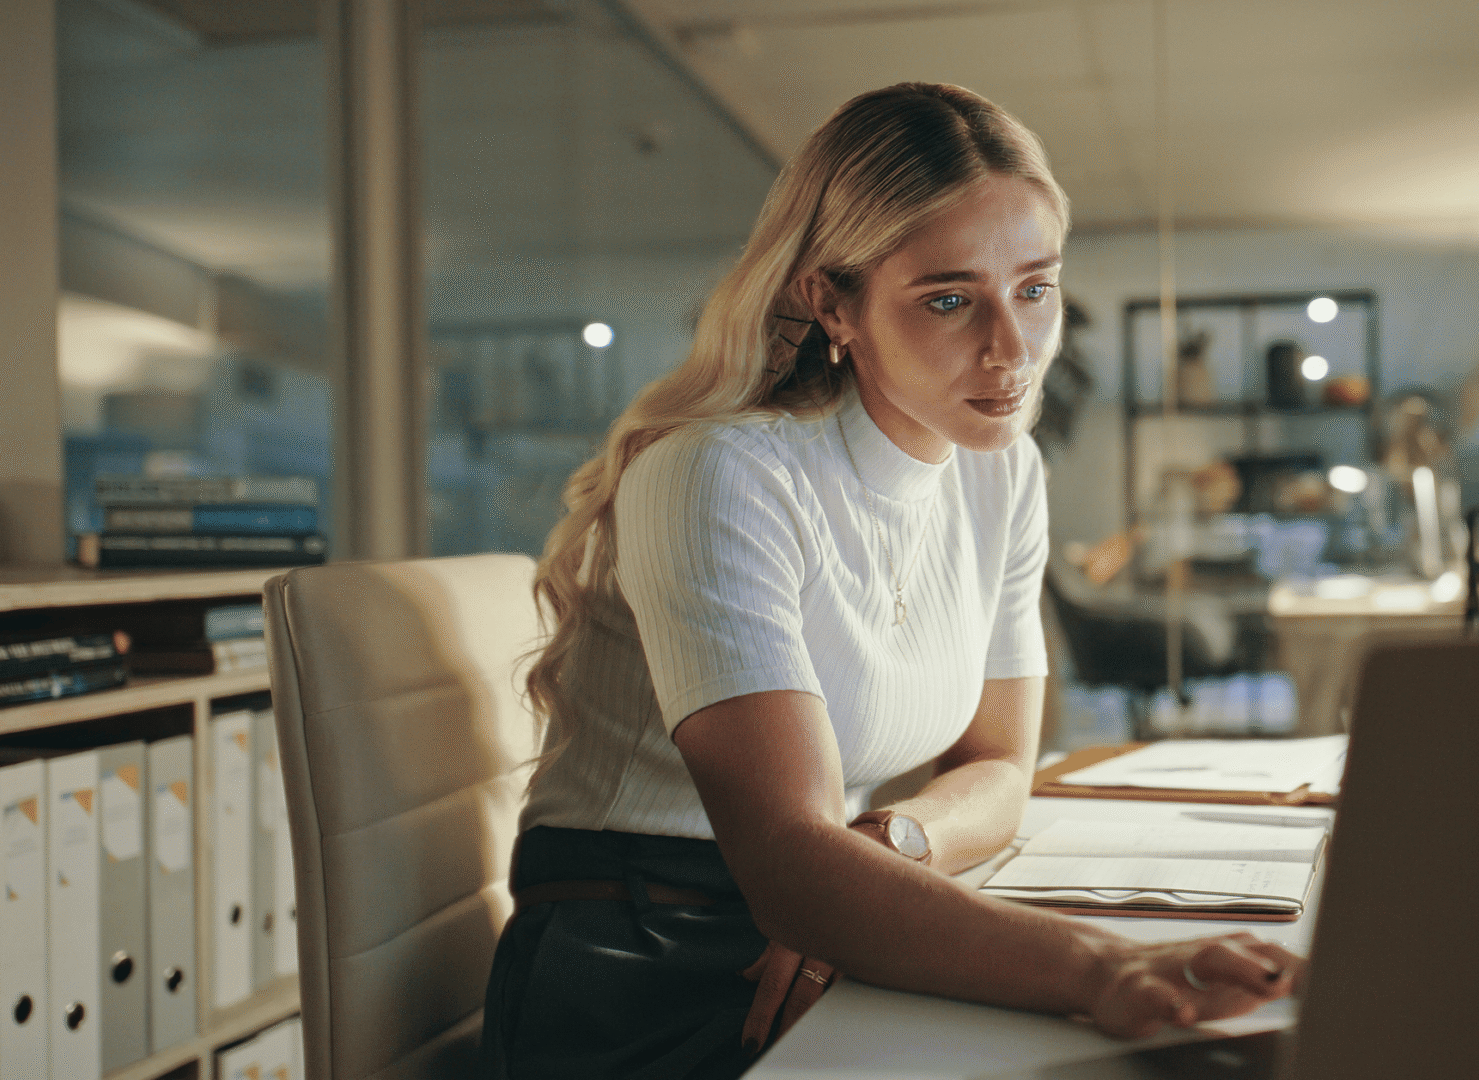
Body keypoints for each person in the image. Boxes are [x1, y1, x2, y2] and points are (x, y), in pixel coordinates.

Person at [481, 82, 1302, 1080]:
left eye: (1033, 289)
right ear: (833, 302)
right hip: (646, 966)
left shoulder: (1002, 470)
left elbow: (1000, 776)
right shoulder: (720, 473)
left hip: (834, 916)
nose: (1011, 349)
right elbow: (787, 858)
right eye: (949, 299)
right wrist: (1098, 965)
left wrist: (885, 848)